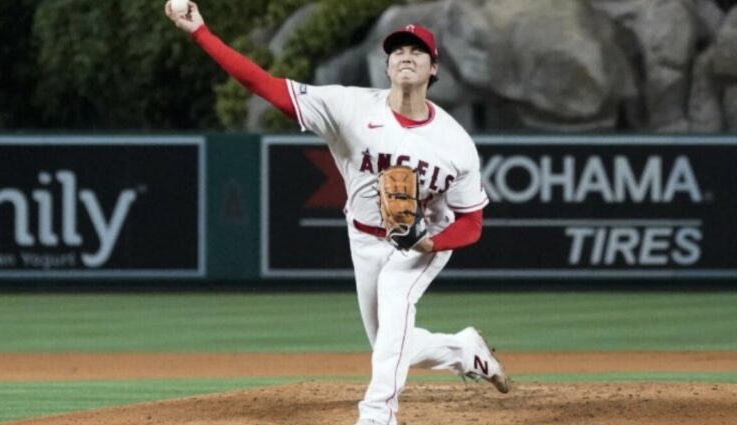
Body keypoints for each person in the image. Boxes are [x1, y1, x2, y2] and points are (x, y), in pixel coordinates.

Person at [166, 2, 510, 424]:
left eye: (417, 52)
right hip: (364, 235)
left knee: (395, 294)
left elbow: (472, 222)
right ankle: (463, 351)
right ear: (386, 66)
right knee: (389, 342)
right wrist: (201, 32)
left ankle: (377, 415)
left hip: (422, 241)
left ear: (433, 69)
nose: (406, 56)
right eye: (398, 51)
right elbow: (262, 84)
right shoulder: (348, 107)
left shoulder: (455, 144)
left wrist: (429, 241)